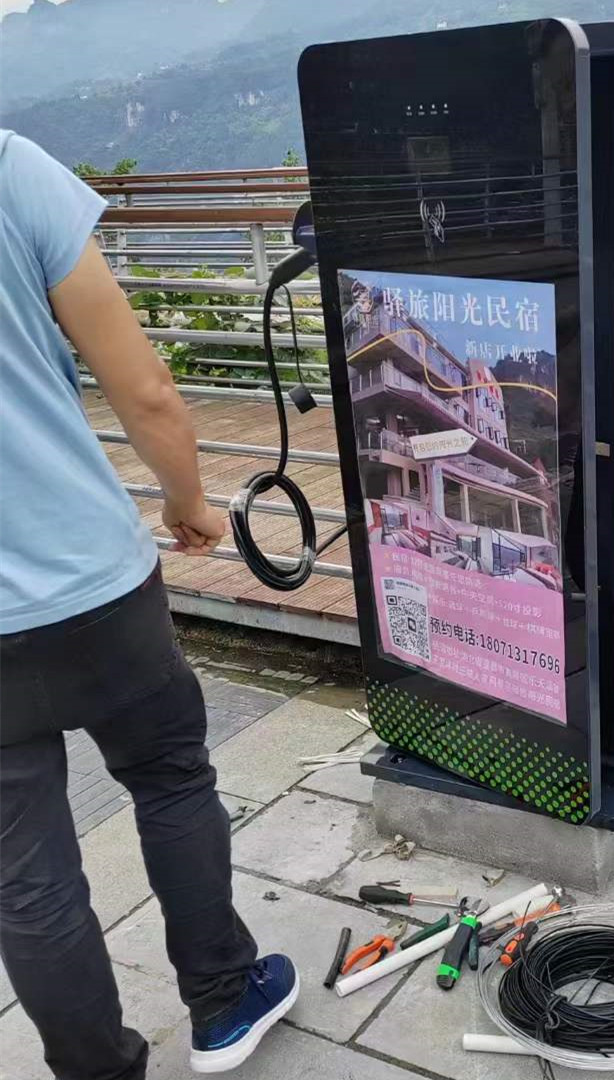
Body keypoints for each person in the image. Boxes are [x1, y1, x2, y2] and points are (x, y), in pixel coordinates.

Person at [0, 130, 298, 1077]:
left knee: (24, 877)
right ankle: (224, 1001)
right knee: (170, 779)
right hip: (90, 582)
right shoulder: (8, 168)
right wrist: (188, 503)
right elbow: (146, 390)